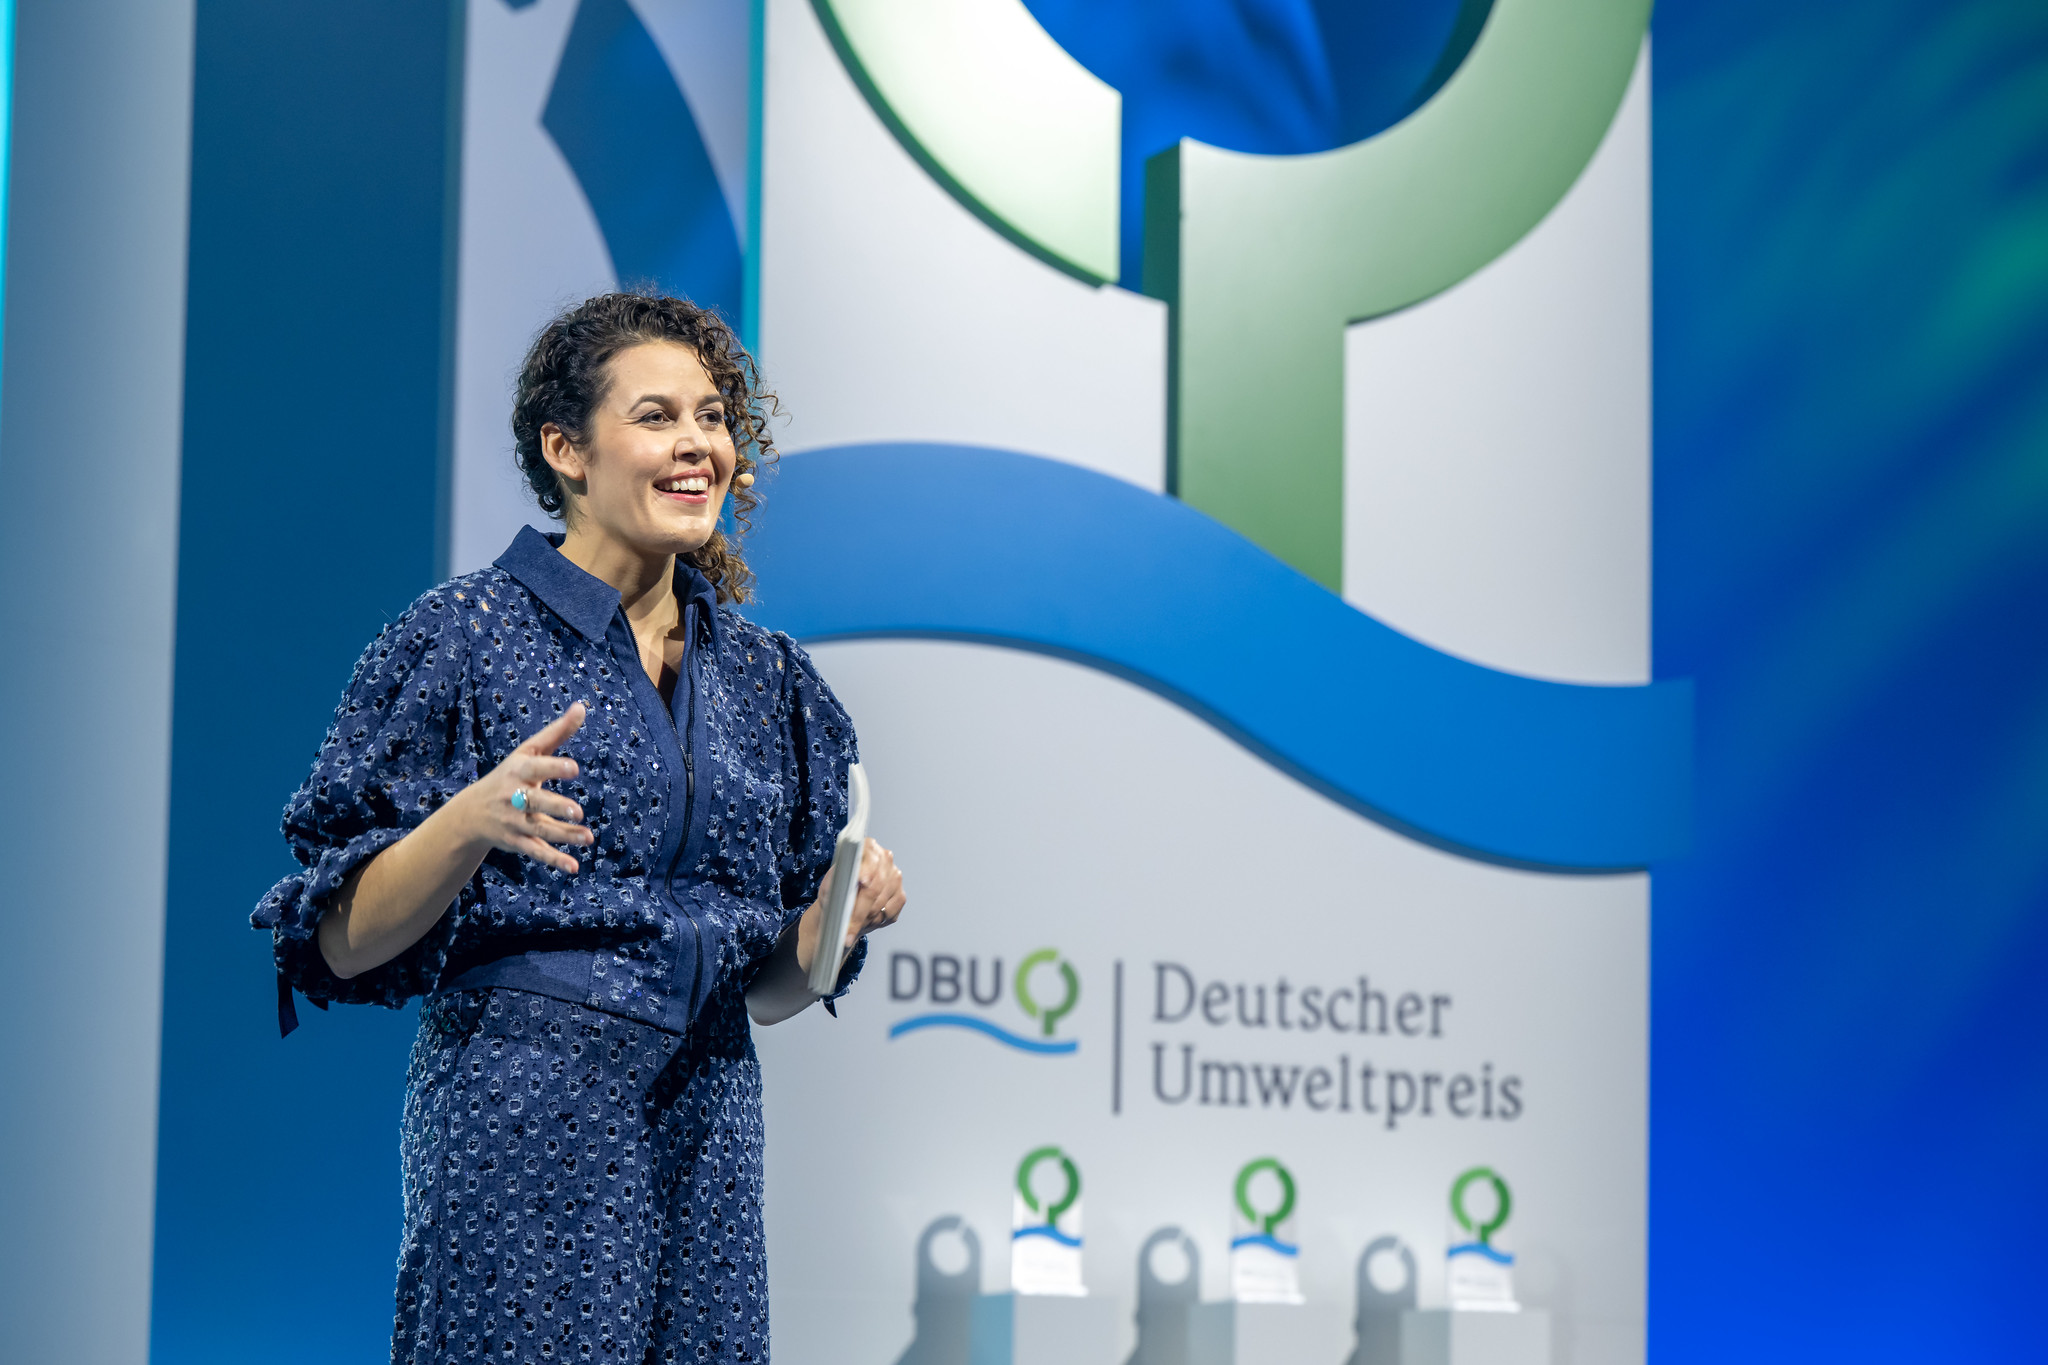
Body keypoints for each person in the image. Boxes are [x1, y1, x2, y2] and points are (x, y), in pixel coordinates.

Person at [253, 291, 905, 1363]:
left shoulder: (769, 680)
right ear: (566, 450)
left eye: (712, 417)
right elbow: (338, 941)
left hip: (712, 1120)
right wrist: (466, 821)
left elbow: (770, 994)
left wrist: (834, 923)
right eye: (657, 417)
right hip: (527, 1116)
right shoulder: (464, 636)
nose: (697, 443)